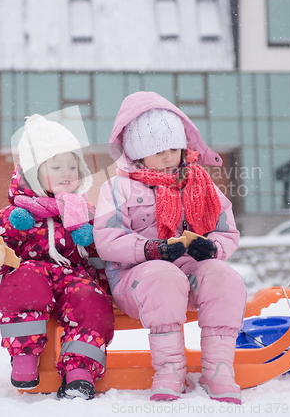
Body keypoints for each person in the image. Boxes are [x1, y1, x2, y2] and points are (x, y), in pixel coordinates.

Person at [94, 92, 246, 404]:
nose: (168, 157)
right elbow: (107, 240)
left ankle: (218, 368)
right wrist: (151, 249)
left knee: (223, 276)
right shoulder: (117, 188)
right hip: (137, 281)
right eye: (158, 151)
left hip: (190, 273)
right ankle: (169, 368)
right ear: (138, 153)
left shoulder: (201, 183)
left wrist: (210, 248)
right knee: (163, 275)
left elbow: (226, 231)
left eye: (174, 148)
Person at [0, 114, 114, 400]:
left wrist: (93, 243)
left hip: (73, 277)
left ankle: (79, 370)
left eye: (72, 166)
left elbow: (104, 252)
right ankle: (24, 356)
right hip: (31, 273)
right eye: (56, 165)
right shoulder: (15, 215)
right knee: (25, 283)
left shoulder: (84, 211)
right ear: (32, 171)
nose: (67, 172)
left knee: (91, 301)